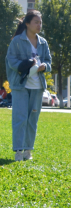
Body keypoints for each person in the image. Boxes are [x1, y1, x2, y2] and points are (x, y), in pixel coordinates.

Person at [5, 10, 51, 161]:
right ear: (27, 23)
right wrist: (24, 65)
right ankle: (18, 151)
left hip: (38, 87)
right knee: (20, 118)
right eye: (36, 22)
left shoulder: (43, 42)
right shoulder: (17, 41)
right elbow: (11, 61)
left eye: (40, 22)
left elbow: (49, 61)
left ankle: (28, 151)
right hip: (21, 86)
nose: (39, 25)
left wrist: (45, 66)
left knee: (32, 120)